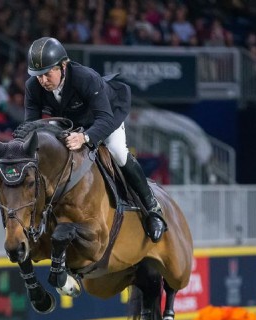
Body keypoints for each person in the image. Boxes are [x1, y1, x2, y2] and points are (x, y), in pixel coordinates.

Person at [24, 37, 165, 242]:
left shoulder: (85, 78)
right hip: (69, 122)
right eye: (38, 76)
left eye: (47, 74)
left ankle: (152, 208)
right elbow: (32, 126)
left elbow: (105, 118)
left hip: (104, 117)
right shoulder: (33, 86)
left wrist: (85, 137)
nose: (43, 81)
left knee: (118, 152)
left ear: (64, 65)